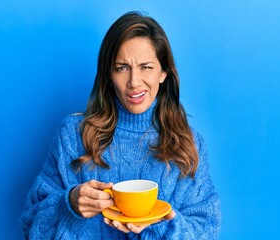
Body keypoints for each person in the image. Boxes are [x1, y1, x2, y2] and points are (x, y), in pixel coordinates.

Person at [20, 11, 221, 239]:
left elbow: (206, 230)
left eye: (146, 67)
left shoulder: (188, 145)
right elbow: (31, 226)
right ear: (109, 74)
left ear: (163, 73)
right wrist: (69, 205)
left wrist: (157, 226)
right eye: (122, 68)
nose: (134, 82)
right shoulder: (73, 136)